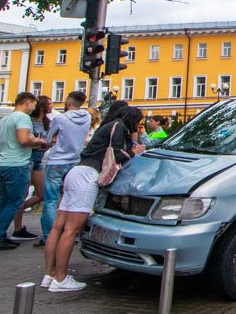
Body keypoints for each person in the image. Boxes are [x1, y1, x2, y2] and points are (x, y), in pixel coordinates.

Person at [43, 104, 146, 292]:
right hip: (88, 176)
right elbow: (115, 155)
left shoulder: (107, 126)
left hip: (76, 172)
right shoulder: (119, 127)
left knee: (58, 227)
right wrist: (134, 152)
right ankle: (61, 278)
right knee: (71, 230)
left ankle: (49, 275)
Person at [0, 92, 48, 251]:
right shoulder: (23, 118)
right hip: (16, 165)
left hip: (2, 163)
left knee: (4, 201)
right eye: (34, 104)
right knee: (15, 202)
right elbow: (23, 140)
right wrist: (39, 140)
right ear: (27, 102)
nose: (35, 107)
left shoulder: (6, 118)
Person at [37, 91, 92, 246]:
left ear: (68, 101)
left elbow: (48, 139)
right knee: (71, 199)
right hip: (75, 161)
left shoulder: (60, 118)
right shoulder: (87, 117)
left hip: (57, 161)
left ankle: (48, 236)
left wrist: (53, 139)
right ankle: (71, 234)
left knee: (51, 199)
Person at [11, 95, 52, 240]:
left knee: (42, 193)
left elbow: (49, 140)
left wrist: (49, 142)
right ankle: (18, 227)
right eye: (49, 103)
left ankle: (18, 208)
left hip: (39, 158)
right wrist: (39, 142)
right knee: (22, 193)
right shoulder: (28, 121)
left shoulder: (47, 122)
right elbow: (25, 140)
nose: (51, 106)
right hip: (28, 157)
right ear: (41, 106)